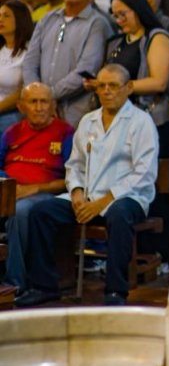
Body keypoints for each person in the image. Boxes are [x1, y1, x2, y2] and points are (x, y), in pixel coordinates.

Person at [16, 65, 159, 307]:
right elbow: (75, 165)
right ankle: (45, 285)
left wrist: (102, 202)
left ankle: (115, 291)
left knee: (120, 214)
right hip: (88, 197)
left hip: (127, 198)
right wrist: (78, 195)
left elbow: (143, 174)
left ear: (128, 88)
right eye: (101, 86)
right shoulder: (88, 121)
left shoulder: (141, 122)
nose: (106, 91)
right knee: (40, 212)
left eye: (113, 85)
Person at [0, 83, 74, 293]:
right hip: (9, 191)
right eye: (34, 101)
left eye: (44, 102)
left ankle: (15, 282)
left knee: (21, 211)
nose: (40, 107)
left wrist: (34, 189)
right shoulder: (11, 132)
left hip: (46, 194)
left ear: (53, 105)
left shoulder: (66, 133)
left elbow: (72, 178)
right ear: (21, 106)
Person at [22, 0, 112, 128]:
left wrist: (47, 97)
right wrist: (36, 97)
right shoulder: (48, 19)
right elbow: (30, 62)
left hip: (77, 112)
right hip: (40, 112)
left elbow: (87, 69)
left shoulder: (97, 23)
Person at [100, 0, 169, 157]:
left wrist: (119, 87)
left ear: (138, 9)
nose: (118, 20)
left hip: (152, 118)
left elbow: (159, 82)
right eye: (115, 15)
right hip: (120, 118)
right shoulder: (116, 42)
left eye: (123, 14)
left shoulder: (157, 38)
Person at [0, 0, 34, 133]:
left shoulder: (29, 51)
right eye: (0, 15)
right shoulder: (1, 49)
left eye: (6, 16)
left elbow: (23, 91)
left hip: (13, 113)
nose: (0, 19)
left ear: (20, 19)